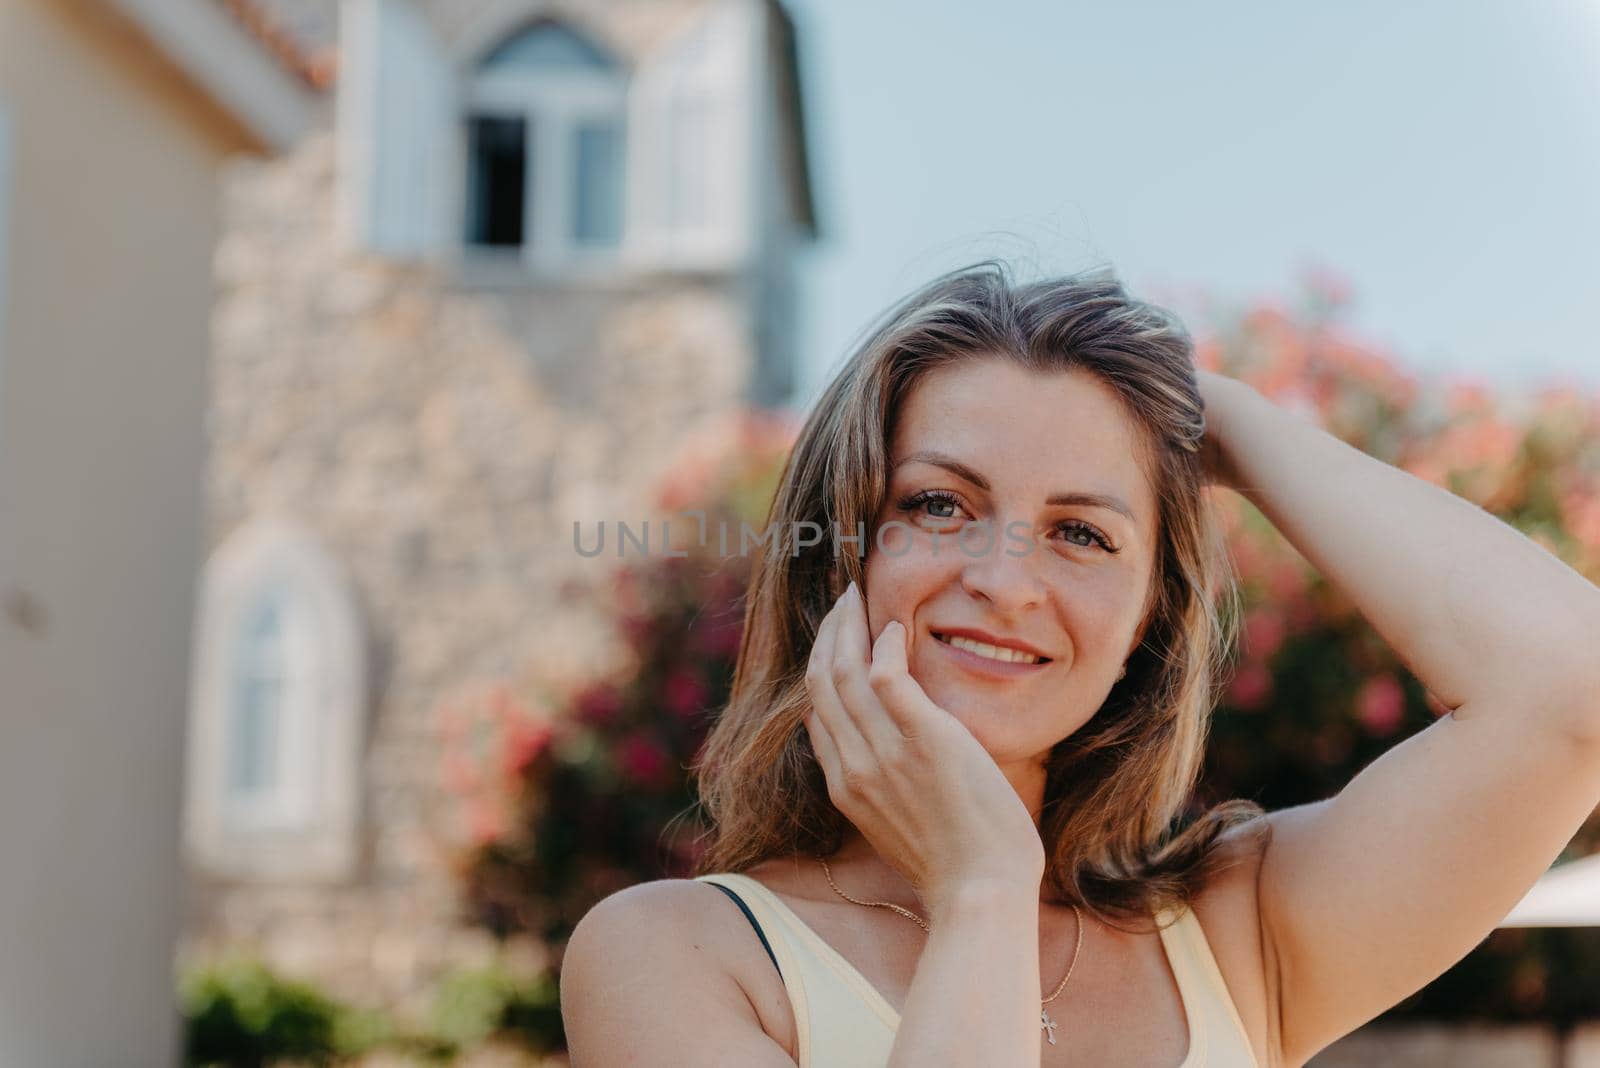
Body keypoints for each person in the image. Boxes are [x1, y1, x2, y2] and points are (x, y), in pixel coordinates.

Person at [559, 262, 1600, 1066]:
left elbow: (1571, 687)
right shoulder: (676, 958)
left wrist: (1217, 419)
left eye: (1082, 533)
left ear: (1149, 617)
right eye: (937, 504)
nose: (1007, 583)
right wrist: (980, 887)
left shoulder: (1242, 933)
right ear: (838, 558)